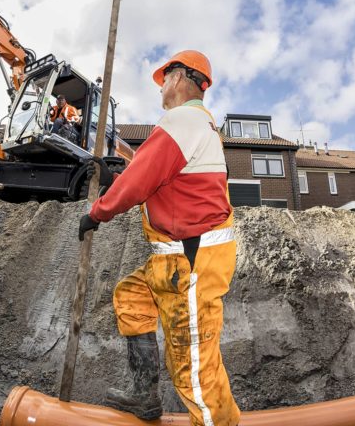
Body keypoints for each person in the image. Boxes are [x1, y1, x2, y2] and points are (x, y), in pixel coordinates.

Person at [79, 50, 240, 425]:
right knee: (132, 296)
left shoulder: (182, 120)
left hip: (190, 263)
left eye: (165, 78)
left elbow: (139, 181)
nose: (161, 87)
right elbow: (152, 174)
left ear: (182, 77)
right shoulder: (196, 126)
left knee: (194, 371)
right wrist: (115, 173)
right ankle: (144, 396)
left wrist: (96, 212)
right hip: (176, 259)